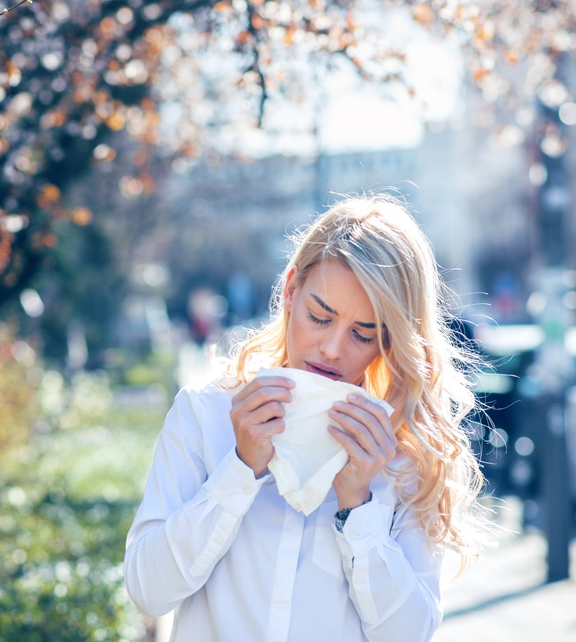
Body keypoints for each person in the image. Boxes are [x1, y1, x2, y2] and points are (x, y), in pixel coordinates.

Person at [124, 193, 492, 642]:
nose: (334, 349)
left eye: (362, 334)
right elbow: (148, 591)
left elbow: (409, 635)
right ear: (291, 291)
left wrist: (358, 506)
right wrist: (239, 470)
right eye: (320, 317)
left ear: (390, 343)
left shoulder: (400, 456)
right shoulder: (206, 414)